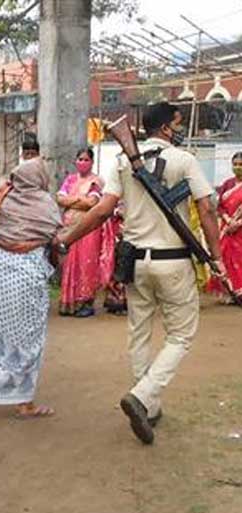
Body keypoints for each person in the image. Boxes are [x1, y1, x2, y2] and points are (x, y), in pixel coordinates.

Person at [55, 102, 226, 445]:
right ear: (165, 128)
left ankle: (148, 405)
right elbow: (206, 208)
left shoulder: (123, 162)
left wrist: (66, 239)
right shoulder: (185, 159)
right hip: (173, 261)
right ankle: (143, 394)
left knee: (139, 333)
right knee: (181, 335)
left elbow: (104, 210)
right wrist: (216, 257)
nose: (180, 129)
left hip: (135, 262)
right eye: (177, 123)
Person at [0, 158, 61, 425]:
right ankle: (25, 403)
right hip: (27, 277)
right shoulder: (46, 205)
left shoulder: (0, 199)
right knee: (28, 340)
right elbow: (57, 236)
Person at [56, 147, 104, 317]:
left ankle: (86, 302)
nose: (82, 163)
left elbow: (91, 203)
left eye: (86, 160)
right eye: (80, 159)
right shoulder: (70, 179)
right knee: (69, 264)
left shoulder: (96, 181)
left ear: (91, 162)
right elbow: (59, 199)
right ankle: (69, 302)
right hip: (69, 229)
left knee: (86, 264)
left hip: (88, 228)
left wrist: (71, 201)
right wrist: (79, 200)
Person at [207, 151, 242, 302]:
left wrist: (238, 223)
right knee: (226, 259)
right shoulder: (228, 184)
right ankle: (229, 293)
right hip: (227, 229)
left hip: (240, 229)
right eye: (235, 164)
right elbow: (220, 206)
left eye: (241, 165)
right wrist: (228, 221)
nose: (238, 167)